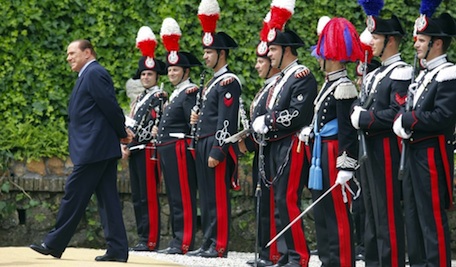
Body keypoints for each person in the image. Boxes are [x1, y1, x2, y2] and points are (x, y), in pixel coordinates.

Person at [30, 39, 133, 262]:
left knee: (74, 193)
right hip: (99, 147)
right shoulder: (88, 74)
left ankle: (54, 243)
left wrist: (121, 132)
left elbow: (110, 106)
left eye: (72, 53)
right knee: (108, 200)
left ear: (87, 53)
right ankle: (117, 249)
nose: (68, 58)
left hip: (94, 148)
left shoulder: (94, 73)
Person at [251, 1, 318, 266]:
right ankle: (283, 254)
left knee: (287, 201)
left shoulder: (301, 75)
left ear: (287, 50)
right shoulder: (281, 79)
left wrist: (268, 120)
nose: (270, 54)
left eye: (274, 49)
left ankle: (298, 256)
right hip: (275, 145)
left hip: (291, 144)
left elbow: (298, 113)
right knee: (278, 202)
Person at [393, 10, 456, 266]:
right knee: (413, 215)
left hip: (431, 153)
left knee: (430, 217)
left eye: (421, 39)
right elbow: (407, 106)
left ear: (437, 43)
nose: (415, 44)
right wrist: (401, 117)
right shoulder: (424, 74)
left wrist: (407, 121)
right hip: (413, 152)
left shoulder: (448, 74)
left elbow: (443, 117)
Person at [299, 17, 363, 267]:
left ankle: (342, 261)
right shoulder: (330, 84)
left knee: (337, 212)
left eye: (321, 55)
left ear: (332, 57)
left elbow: (347, 132)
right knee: (322, 209)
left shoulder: (344, 86)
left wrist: (346, 165)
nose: (318, 58)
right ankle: (328, 259)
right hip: (320, 152)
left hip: (334, 153)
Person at [350, 3, 412, 265]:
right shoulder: (377, 73)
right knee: (372, 211)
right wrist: (357, 111)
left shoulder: (401, 72)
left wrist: (365, 118)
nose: (371, 41)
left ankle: (390, 261)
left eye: (376, 37)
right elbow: (363, 102)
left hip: (386, 147)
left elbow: (396, 113)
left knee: (386, 211)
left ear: (391, 40)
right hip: (369, 148)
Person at [186, 0, 241, 258]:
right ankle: (207, 242)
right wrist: (198, 118)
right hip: (203, 141)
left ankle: (218, 245)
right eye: (205, 52)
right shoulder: (212, 82)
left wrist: (219, 150)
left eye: (209, 53)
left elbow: (227, 120)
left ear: (222, 54)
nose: (205, 56)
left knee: (218, 197)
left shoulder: (229, 81)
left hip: (215, 144)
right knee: (206, 198)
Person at [155, 17, 201, 255]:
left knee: (183, 196)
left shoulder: (190, 91)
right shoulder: (175, 93)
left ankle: (184, 242)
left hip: (179, 148)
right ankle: (176, 239)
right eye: (170, 69)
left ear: (186, 71)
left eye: (175, 69)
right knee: (174, 196)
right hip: (168, 149)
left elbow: (192, 124)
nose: (171, 73)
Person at [242, 12, 283, 267]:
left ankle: (273, 252)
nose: (258, 65)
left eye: (263, 60)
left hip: (274, 149)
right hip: (262, 150)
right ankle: (265, 251)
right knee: (263, 200)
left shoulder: (277, 85)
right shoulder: (265, 87)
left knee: (273, 202)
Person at [121, 26, 166, 252]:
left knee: (149, 196)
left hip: (148, 149)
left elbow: (150, 125)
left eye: (149, 74)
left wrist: (131, 138)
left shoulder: (159, 95)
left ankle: (151, 240)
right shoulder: (139, 97)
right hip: (136, 148)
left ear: (157, 76)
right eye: (143, 74)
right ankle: (142, 236)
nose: (146, 77)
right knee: (138, 196)